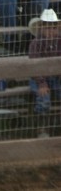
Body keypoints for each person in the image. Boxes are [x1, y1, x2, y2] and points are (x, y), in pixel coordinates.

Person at [28, 8, 61, 138]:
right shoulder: (35, 44)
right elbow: (34, 67)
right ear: (41, 28)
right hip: (39, 77)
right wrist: (42, 83)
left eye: (53, 27)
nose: (51, 31)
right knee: (43, 99)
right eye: (47, 27)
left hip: (57, 77)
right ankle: (41, 128)